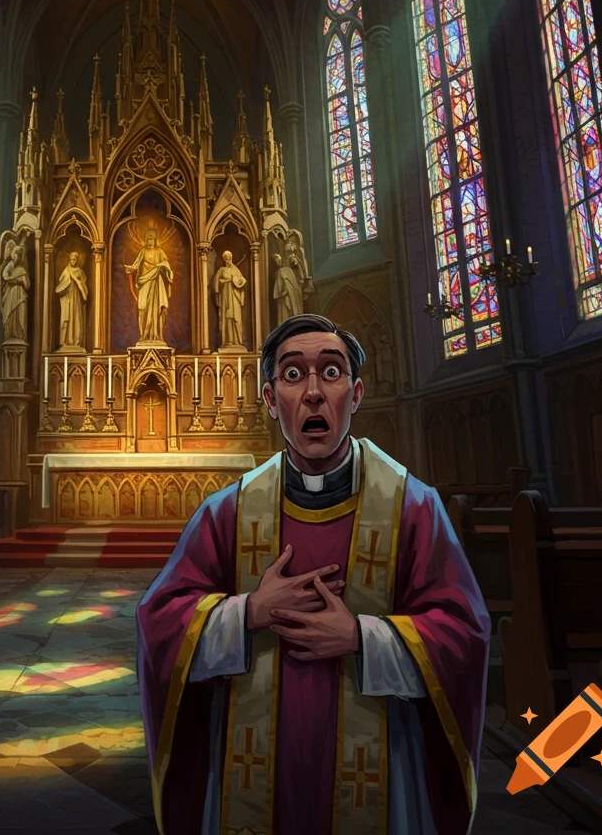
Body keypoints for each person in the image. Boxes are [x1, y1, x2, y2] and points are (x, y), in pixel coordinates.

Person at [136, 313, 489, 835]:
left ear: (358, 392)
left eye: (332, 371)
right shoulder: (227, 513)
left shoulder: (413, 507)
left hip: (383, 765)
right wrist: (250, 611)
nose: (314, 393)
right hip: (247, 768)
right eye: (293, 374)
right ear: (269, 398)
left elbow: (466, 632)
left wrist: (361, 637)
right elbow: (158, 623)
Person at [124, 228, 174, 344]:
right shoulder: (143, 252)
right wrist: (130, 269)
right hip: (145, 282)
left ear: (155, 240)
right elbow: (136, 265)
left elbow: (166, 264)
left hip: (157, 283)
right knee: (143, 308)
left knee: (159, 309)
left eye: (152, 239)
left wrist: (160, 266)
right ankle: (144, 335)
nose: (150, 241)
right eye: (148, 239)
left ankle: (158, 335)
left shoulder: (159, 252)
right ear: (145, 240)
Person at [213, 249, 247, 348]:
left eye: (228, 258)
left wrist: (235, 280)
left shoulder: (235, 270)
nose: (227, 260)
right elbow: (216, 285)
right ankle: (228, 341)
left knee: (235, 318)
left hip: (234, 296)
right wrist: (224, 281)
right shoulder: (221, 270)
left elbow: (241, 282)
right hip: (225, 298)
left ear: (231, 258)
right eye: (225, 259)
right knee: (227, 318)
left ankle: (237, 341)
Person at [55, 250, 89, 349]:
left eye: (75, 259)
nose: (73, 261)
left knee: (76, 317)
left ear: (77, 260)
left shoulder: (80, 271)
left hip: (76, 298)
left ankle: (76, 340)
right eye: (71, 259)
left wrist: (79, 282)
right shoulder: (66, 271)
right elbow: (61, 282)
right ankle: (65, 340)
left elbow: (84, 284)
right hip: (67, 298)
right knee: (66, 318)